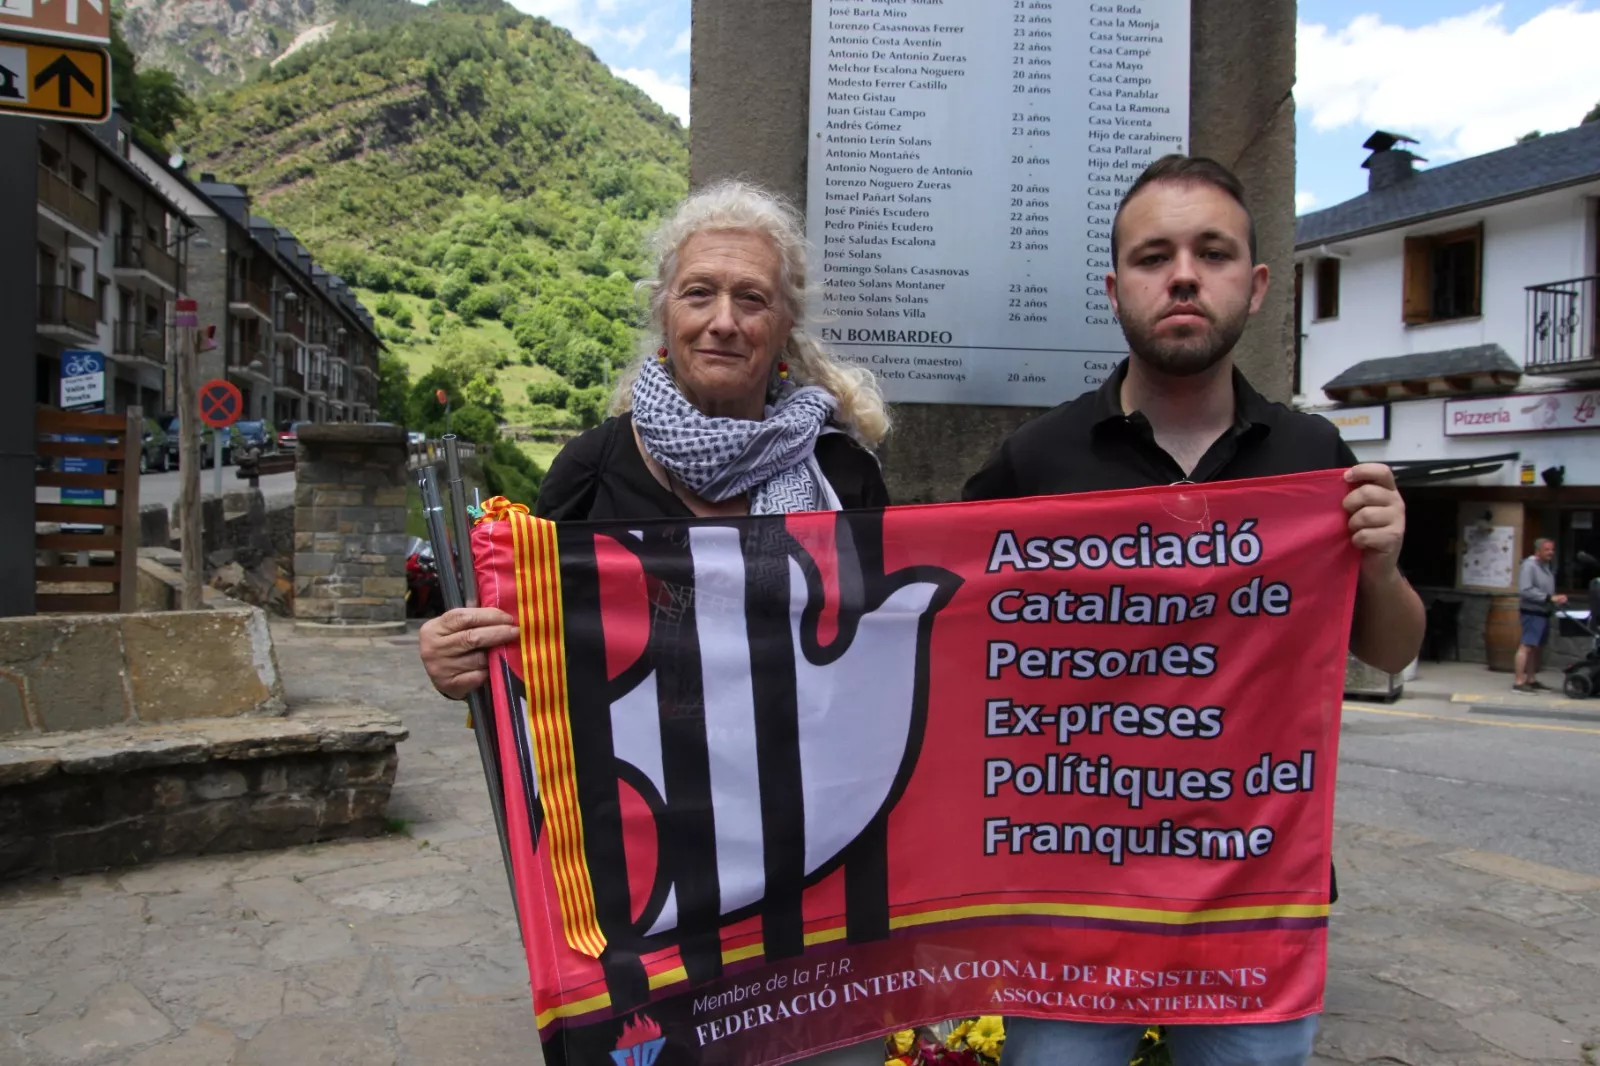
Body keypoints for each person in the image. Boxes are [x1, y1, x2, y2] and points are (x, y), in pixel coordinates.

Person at [964, 155, 1426, 1066]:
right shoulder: (1034, 461)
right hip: (1073, 892)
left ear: (1255, 285)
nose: (1183, 276)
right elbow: (953, 641)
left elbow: (1389, 650)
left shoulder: (1314, 455)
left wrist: (1380, 567)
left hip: (1256, 893)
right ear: (1115, 290)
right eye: (1154, 256)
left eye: (1212, 253)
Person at [418, 179, 891, 1066]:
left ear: (785, 326)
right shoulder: (591, 471)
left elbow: (886, 658)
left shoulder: (845, 476)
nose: (723, 321)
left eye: (752, 299)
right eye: (699, 293)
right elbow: (528, 652)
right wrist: (459, 658)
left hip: (811, 868)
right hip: (645, 873)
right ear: (664, 314)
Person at [1515, 537, 1566, 691]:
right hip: (1532, 611)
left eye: (1552, 549)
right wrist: (1548, 598)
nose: (1551, 552)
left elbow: (1546, 590)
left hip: (1543, 611)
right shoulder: (1529, 566)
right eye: (1547, 550)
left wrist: (1555, 599)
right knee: (1526, 646)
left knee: (1535, 648)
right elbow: (1525, 590)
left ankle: (1531, 679)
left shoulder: (1546, 566)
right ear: (1538, 551)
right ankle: (1519, 682)